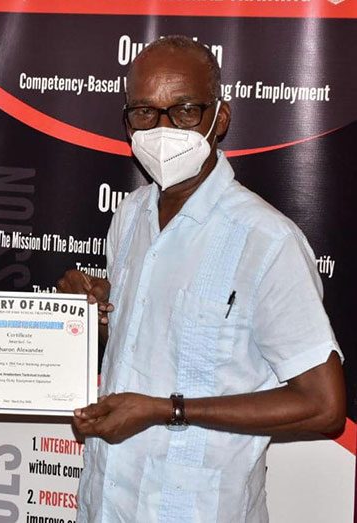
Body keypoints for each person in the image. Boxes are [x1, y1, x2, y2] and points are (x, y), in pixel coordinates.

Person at [57, 36, 345, 522]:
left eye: (185, 110)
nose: (163, 127)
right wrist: (94, 314)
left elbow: (324, 404)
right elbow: (150, 344)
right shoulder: (130, 218)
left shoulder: (266, 241)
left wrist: (166, 410)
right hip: (107, 502)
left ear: (220, 119)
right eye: (144, 112)